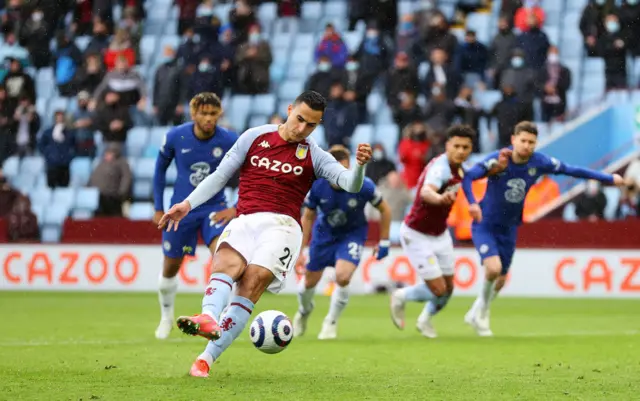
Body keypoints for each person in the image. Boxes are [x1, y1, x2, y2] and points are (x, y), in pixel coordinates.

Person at [157, 91, 372, 377]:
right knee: (225, 265)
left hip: (282, 227)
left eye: (311, 125)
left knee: (251, 282)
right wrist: (186, 204)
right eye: (299, 119)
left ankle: (205, 359)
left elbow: (351, 184)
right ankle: (208, 317)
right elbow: (220, 176)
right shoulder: (254, 137)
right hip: (245, 220)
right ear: (289, 109)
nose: (302, 129)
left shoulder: (314, 155)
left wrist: (359, 167)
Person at [461, 121, 625, 337]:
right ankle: (481, 312)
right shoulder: (499, 159)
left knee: (500, 280)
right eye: (523, 141)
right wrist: (472, 202)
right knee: (493, 268)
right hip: (486, 223)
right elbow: (469, 176)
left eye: (531, 142)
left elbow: (571, 169)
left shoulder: (539, 162)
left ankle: (477, 311)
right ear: (513, 140)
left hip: (510, 226)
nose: (527, 146)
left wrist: (607, 178)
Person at [152, 92, 238, 340]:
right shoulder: (175, 136)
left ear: (219, 114)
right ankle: (166, 316)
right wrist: (158, 206)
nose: (209, 118)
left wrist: (236, 205)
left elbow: (248, 173)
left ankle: (220, 319)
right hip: (181, 210)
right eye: (204, 113)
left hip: (214, 209)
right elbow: (159, 171)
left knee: (223, 259)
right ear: (193, 114)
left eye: (213, 113)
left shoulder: (230, 139)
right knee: (170, 266)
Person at [294, 145, 392, 340]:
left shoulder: (364, 185)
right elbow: (308, 216)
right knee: (308, 283)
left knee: (343, 276)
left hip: (352, 235)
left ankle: (331, 321)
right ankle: (304, 312)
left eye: (345, 169)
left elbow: (385, 210)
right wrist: (300, 250)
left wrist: (385, 242)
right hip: (324, 236)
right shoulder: (317, 185)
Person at [389, 125, 477, 338]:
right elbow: (428, 191)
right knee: (438, 290)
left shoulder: (461, 168)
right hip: (416, 233)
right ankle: (401, 295)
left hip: (439, 233)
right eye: (456, 146)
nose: (460, 151)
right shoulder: (441, 168)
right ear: (447, 145)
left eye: (465, 147)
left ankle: (424, 319)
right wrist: (439, 198)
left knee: (448, 289)